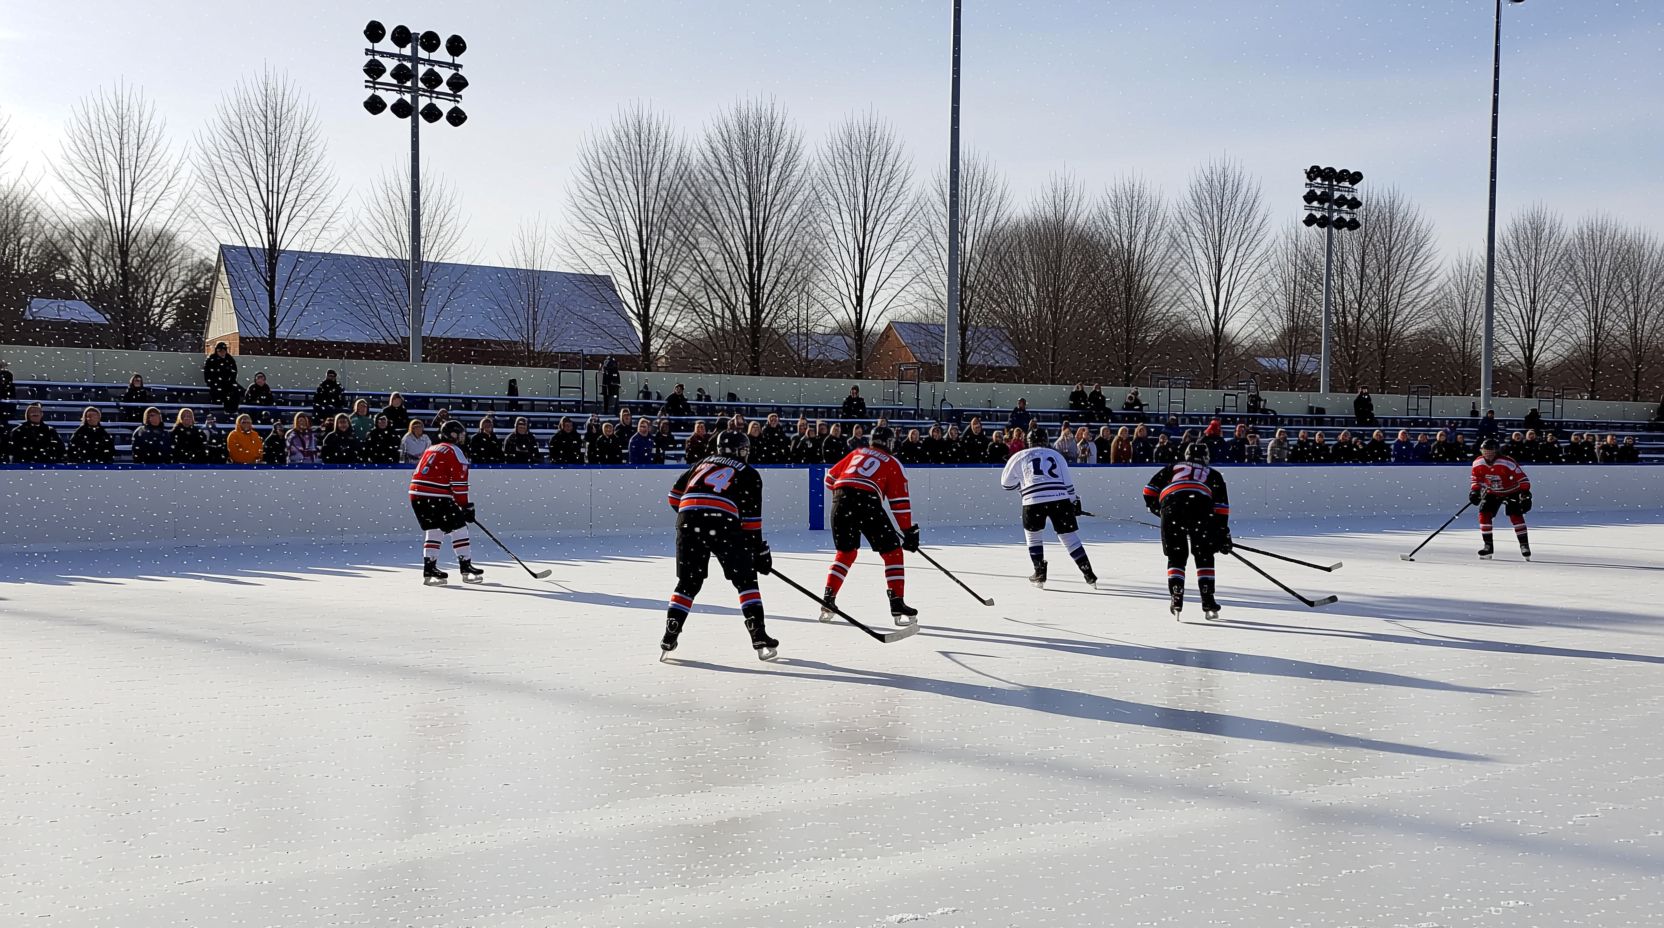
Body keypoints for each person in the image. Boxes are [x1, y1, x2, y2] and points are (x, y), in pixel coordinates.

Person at [660, 428, 778, 661]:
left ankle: (670, 632)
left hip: (687, 520)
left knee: (687, 582)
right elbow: (752, 522)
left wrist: (695, 514)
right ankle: (758, 634)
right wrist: (759, 551)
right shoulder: (749, 473)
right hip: (722, 523)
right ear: (740, 450)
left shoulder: (701, 464)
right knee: (745, 580)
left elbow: (674, 497)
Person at [820, 425, 920, 626]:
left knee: (845, 552)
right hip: (865, 502)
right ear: (889, 443)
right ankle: (897, 602)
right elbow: (899, 502)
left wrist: (848, 492)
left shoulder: (857, 452)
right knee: (892, 551)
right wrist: (908, 530)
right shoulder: (893, 463)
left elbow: (830, 478)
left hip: (840, 501)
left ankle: (828, 599)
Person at [1002, 424, 1099, 589]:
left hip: (1032, 500)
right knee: (1069, 537)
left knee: (1034, 537)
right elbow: (1067, 483)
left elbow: (1005, 483)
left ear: (1028, 441)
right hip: (1059, 499)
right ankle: (1088, 573)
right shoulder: (1055, 455)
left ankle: (1039, 572)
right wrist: (1074, 501)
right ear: (1046, 440)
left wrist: (1022, 486)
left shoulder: (1019, 456)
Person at [1143, 441, 1231, 620]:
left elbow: (1148, 491)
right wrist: (1222, 533)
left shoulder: (1173, 467)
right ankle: (1207, 598)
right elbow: (1221, 509)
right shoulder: (1213, 474)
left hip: (1171, 506)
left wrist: (1160, 510)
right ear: (1206, 457)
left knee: (1176, 555)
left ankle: (1176, 593)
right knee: (1203, 553)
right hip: (1201, 507)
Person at [410, 419, 483, 585]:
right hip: (435, 496)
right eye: (460, 434)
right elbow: (459, 484)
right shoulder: (455, 451)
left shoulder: (432, 448)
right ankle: (466, 568)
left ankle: (429, 570)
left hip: (416, 495)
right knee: (459, 529)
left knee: (434, 529)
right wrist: (466, 506)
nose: (462, 437)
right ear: (453, 435)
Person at [1470, 437, 1532, 559]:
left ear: (1496, 451)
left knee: (1515, 515)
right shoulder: (1477, 463)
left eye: (1491, 451)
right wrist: (1475, 491)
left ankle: (1524, 545)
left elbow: (1522, 478)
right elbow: (1476, 478)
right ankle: (1488, 546)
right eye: (1485, 451)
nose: (1488, 454)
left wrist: (1525, 494)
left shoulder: (1507, 462)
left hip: (1512, 491)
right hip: (1492, 492)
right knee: (1484, 514)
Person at [203, 342, 239, 413]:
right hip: (215, 383)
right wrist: (213, 382)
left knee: (236, 392)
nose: (222, 353)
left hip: (228, 383)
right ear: (216, 351)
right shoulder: (211, 359)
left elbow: (234, 372)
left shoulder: (229, 359)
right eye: (220, 351)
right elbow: (207, 374)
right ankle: (218, 411)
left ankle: (231, 411)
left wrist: (229, 381)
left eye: (223, 350)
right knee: (218, 394)